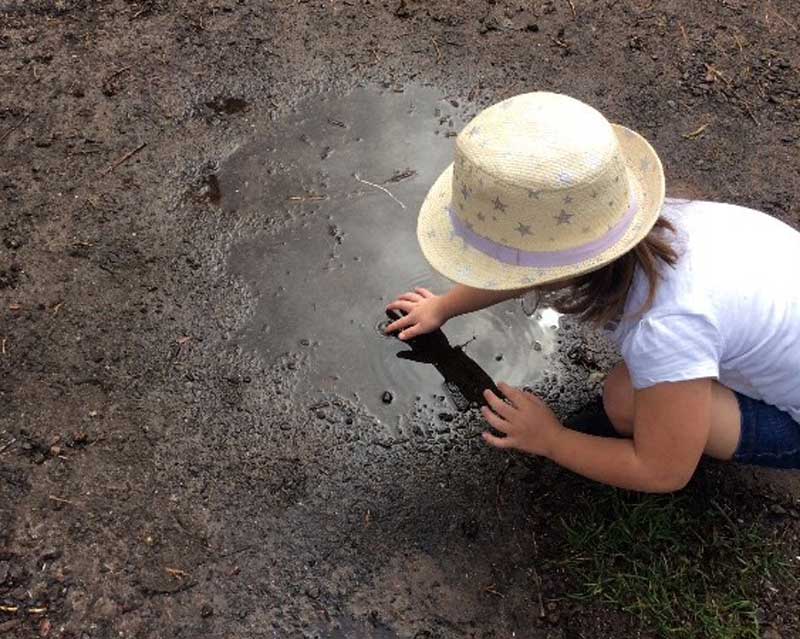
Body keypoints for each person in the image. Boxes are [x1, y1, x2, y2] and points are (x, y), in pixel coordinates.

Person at [385, 92, 800, 493]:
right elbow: (529, 267)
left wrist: (551, 439)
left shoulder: (664, 326)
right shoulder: (635, 224)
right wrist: (444, 306)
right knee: (646, 385)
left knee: (624, 400)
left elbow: (663, 472)